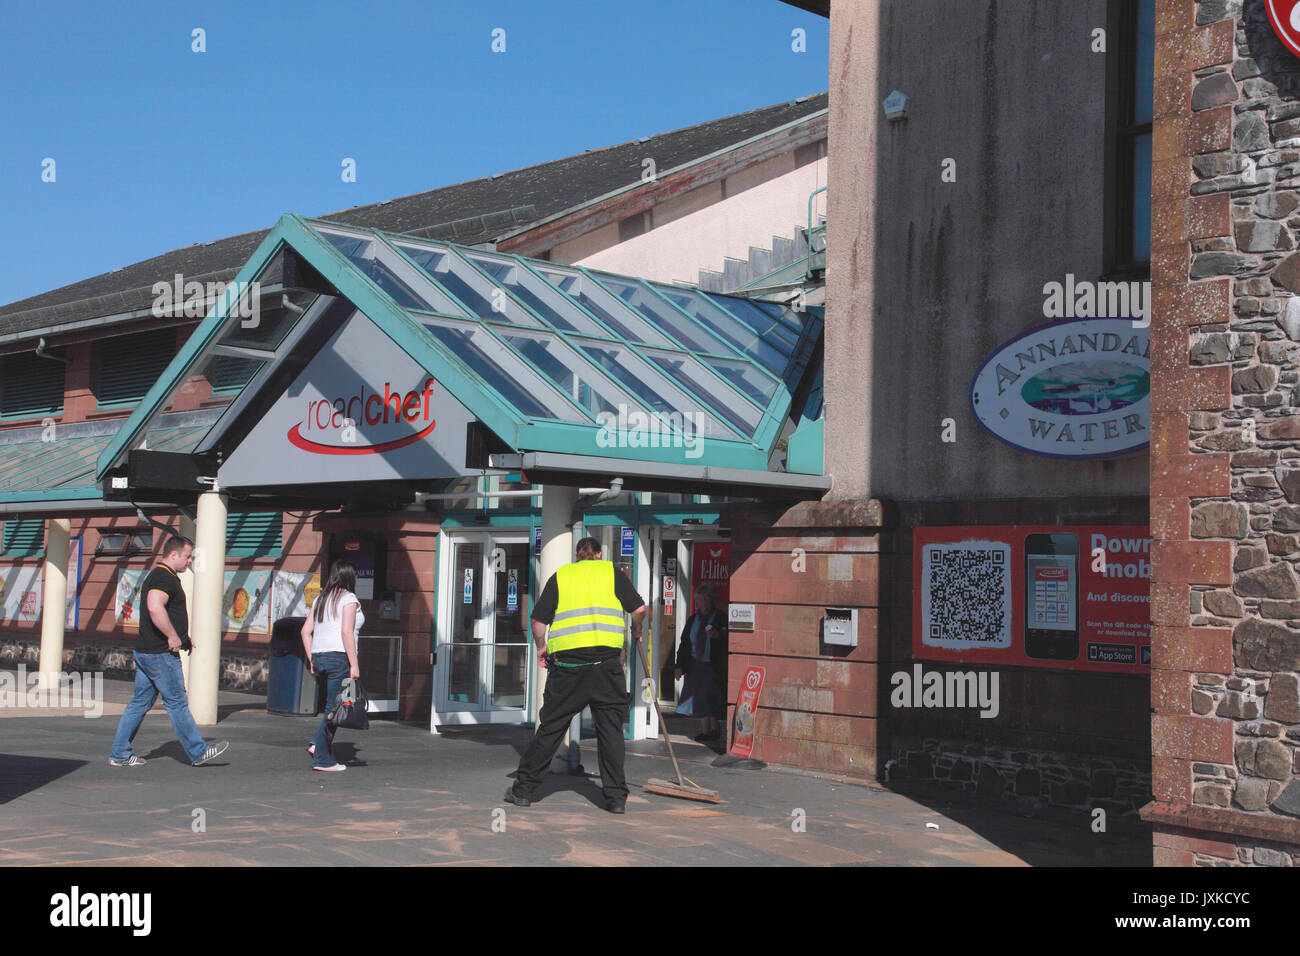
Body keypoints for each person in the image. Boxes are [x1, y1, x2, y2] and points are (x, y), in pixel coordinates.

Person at [505, 537, 647, 813]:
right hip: (606, 668)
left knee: (551, 730)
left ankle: (523, 791)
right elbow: (639, 609)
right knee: (610, 733)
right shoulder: (611, 573)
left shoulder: (562, 576)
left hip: (568, 670)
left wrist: (541, 647)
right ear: (599, 554)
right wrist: (636, 629)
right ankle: (616, 798)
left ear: (577, 555)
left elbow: (537, 622)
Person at [109, 536, 230, 767]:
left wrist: (182, 637)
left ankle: (119, 753)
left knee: (139, 703)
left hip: (147, 651)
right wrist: (172, 636)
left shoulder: (161, 576)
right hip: (160, 654)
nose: (189, 561)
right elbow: (155, 607)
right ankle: (198, 751)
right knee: (177, 702)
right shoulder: (163, 577)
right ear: (173, 555)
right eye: (187, 556)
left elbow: (162, 611)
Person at [299, 559, 363, 772]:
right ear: (349, 577)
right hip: (339, 657)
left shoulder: (320, 599)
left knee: (332, 706)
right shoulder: (349, 599)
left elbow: (305, 631)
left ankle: (317, 744)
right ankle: (322, 759)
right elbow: (346, 632)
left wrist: (311, 660)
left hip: (320, 656)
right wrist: (354, 665)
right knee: (334, 710)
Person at [674, 583, 728, 741]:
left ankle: (713, 729)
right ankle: (707, 730)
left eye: (700, 599)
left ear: (709, 600)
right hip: (695, 664)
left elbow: (728, 639)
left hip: (712, 664)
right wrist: (679, 666)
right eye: (696, 599)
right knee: (698, 698)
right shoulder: (693, 619)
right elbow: (685, 644)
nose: (697, 603)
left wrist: (718, 636)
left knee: (709, 698)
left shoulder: (720, 617)